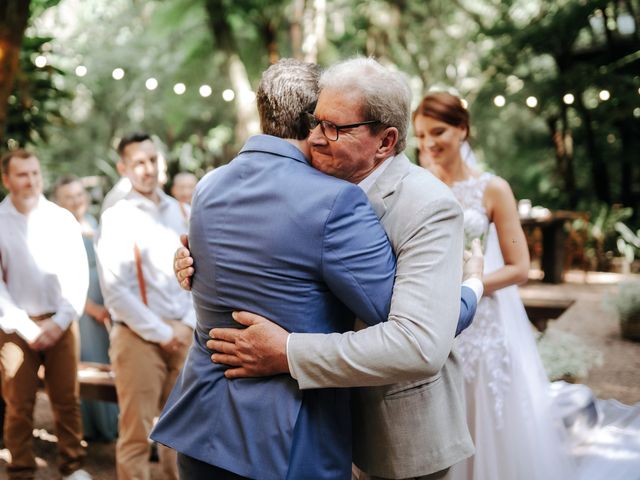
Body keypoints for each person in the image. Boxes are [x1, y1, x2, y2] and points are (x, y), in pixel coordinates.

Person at [173, 57, 478, 480]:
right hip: (296, 425)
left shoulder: (428, 205)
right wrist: (196, 261)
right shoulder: (318, 187)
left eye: (333, 127)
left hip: (393, 434)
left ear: (385, 142)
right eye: (315, 122)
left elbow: (422, 340)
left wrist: (472, 288)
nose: (314, 137)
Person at [151, 58, 398, 480]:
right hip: (287, 439)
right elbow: (395, 313)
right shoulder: (335, 200)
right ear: (315, 120)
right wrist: (470, 287)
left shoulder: (209, 186)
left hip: (203, 426)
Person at [412, 92, 577, 480]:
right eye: (419, 136)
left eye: (438, 131)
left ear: (463, 130)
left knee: (482, 415)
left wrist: (469, 285)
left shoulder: (493, 189)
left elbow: (520, 267)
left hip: (482, 323)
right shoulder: (417, 185)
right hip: (434, 321)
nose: (428, 143)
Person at [95, 133, 194, 480]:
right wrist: (163, 332)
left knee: (182, 435)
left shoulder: (185, 211)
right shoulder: (116, 218)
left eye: (152, 160)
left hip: (184, 333)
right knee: (136, 435)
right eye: (139, 162)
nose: (148, 169)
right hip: (137, 336)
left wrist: (187, 323)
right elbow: (116, 292)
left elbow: (205, 276)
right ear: (124, 168)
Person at [0, 150, 91, 480]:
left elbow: (77, 274)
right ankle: (21, 469)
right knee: (18, 405)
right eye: (23, 174)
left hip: (61, 322)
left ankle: (73, 467)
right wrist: (26, 327)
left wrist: (60, 321)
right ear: (6, 179)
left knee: (67, 400)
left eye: (35, 173)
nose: (31, 181)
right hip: (14, 327)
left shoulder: (60, 219)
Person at [53, 175, 119, 442]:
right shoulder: (57, 230)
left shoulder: (95, 223)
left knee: (109, 362)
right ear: (59, 201)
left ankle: (112, 424)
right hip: (79, 308)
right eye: (69, 196)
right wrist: (90, 307)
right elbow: (57, 276)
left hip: (106, 304)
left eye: (79, 195)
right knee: (87, 364)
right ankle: (89, 428)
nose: (77, 201)